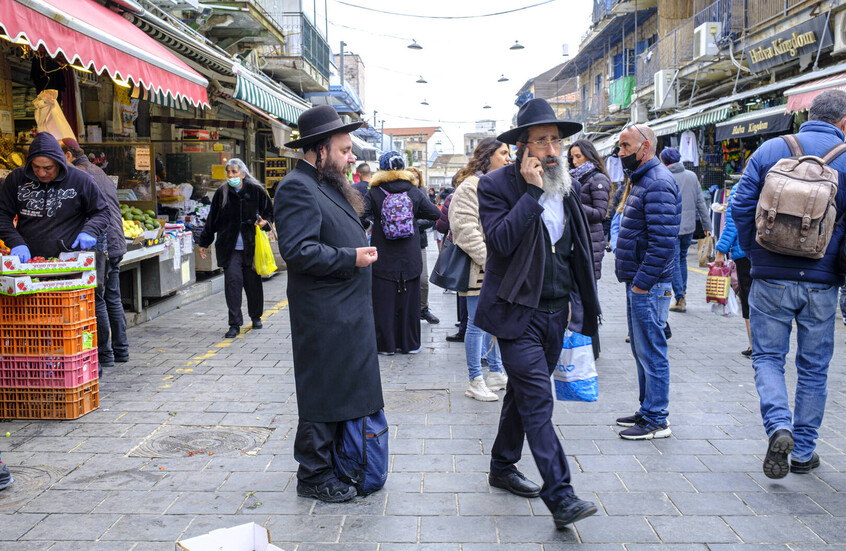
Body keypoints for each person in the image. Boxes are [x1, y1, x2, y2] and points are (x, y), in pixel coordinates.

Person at [475, 98, 600, 529]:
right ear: (523, 147)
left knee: (523, 395)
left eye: (556, 141)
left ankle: (502, 464)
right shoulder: (495, 186)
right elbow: (500, 242)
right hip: (516, 315)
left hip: (556, 313)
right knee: (538, 401)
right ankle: (561, 495)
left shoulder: (568, 186)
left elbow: (576, 248)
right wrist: (530, 193)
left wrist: (584, 306)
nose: (551, 150)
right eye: (542, 141)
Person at [730, 89, 846, 479]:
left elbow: (739, 205)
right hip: (822, 282)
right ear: (843, 122)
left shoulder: (770, 150)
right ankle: (804, 452)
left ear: (807, 115)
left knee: (767, 358)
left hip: (770, 278)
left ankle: (779, 425)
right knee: (814, 368)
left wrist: (755, 253)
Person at [273, 105, 383, 502]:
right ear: (320, 150)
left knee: (340, 388)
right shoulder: (296, 187)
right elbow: (298, 251)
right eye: (344, 150)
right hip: (324, 313)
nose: (351, 157)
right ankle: (313, 474)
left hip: (346, 310)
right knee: (323, 390)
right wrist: (351, 257)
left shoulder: (327, 182)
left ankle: (335, 463)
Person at [614, 124, 680, 440]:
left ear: (645, 147)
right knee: (642, 350)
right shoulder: (643, 179)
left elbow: (663, 241)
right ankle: (647, 409)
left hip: (649, 284)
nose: (620, 153)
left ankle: (656, 418)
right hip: (640, 281)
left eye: (625, 146)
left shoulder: (657, 182)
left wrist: (641, 283)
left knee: (652, 351)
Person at [450, 137, 510, 401]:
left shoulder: (494, 184)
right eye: (503, 153)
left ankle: (495, 372)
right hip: (479, 266)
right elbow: (465, 230)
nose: (508, 158)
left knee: (492, 321)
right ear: (488, 156)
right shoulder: (470, 186)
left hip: (494, 265)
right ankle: (475, 380)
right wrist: (489, 261)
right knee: (476, 324)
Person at [61, 139, 129, 368]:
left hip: (101, 246)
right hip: (115, 242)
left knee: (97, 299)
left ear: (68, 155)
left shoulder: (78, 175)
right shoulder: (98, 170)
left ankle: (105, 354)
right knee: (113, 297)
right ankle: (121, 350)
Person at [364, 152, 441, 354]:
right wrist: (412, 222)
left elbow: (361, 215)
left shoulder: (374, 191)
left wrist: (377, 222)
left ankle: (386, 345)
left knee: (384, 302)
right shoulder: (413, 191)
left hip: (383, 254)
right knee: (409, 302)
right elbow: (435, 214)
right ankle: (410, 344)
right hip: (410, 255)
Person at [0, 132, 108, 264]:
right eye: (36, 166)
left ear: (59, 163)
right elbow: (3, 214)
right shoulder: (16, 178)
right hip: (27, 261)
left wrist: (90, 230)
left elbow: (102, 212)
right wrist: (15, 242)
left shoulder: (81, 180)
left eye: (48, 168)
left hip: (68, 261)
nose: (41, 173)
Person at [197, 159, 273, 339]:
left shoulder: (256, 191)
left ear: (243, 174)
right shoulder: (221, 193)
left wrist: (265, 223)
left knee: (253, 285)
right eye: (228, 172)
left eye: (234, 172)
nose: (230, 175)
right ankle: (234, 323)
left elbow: (269, 213)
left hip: (252, 247)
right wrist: (204, 243)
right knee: (232, 284)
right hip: (229, 248)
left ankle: (256, 316)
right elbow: (212, 220)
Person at [660, 147, 712, 313]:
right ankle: (682, 293)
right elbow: (700, 203)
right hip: (689, 227)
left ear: (665, 161)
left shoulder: (664, 176)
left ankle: (680, 297)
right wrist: (707, 226)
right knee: (682, 259)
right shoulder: (692, 176)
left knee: (674, 261)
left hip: (671, 227)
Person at [715, 183, 752, 357]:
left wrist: (721, 251)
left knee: (748, 298)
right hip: (769, 253)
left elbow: (732, 224)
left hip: (745, 253)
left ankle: (754, 345)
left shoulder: (740, 188)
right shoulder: (773, 185)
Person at [568, 140, 610, 280]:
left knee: (588, 283)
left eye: (578, 156)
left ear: (589, 155)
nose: (574, 161)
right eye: (572, 157)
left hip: (591, 239)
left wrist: (574, 204)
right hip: (579, 237)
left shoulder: (598, 179)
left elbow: (600, 213)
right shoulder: (575, 178)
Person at [408, 166, 440, 325]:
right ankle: (410, 310)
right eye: (410, 176)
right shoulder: (400, 192)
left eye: (416, 176)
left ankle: (423, 308)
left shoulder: (421, 193)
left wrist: (413, 224)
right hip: (402, 243)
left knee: (423, 280)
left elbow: (432, 218)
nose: (413, 179)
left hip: (419, 241)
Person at [435, 179, 466, 342]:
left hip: (457, 246)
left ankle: (463, 325)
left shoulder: (452, 197)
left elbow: (441, 226)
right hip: (479, 248)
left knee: (462, 288)